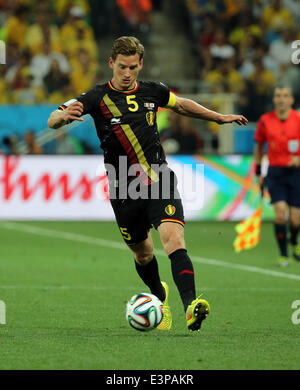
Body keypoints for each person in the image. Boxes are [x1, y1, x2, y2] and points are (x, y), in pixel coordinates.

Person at [47, 36, 248, 332]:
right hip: (123, 187)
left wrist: (217, 118)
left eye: (132, 67)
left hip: (157, 177)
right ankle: (159, 296)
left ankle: (191, 306)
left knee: (174, 240)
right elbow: (52, 118)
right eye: (122, 67)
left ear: (140, 64)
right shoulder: (96, 97)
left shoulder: (154, 91)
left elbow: (182, 105)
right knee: (143, 254)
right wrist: (63, 118)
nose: (127, 74)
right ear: (111, 63)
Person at [253, 86, 300, 267]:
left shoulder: (298, 119)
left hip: (296, 173)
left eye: (285, 96)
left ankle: (294, 241)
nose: (281, 99)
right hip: (276, 173)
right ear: (274, 100)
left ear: (291, 100)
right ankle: (283, 254)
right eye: (278, 95)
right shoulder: (265, 121)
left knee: (296, 219)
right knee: (280, 215)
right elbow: (258, 147)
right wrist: (259, 172)